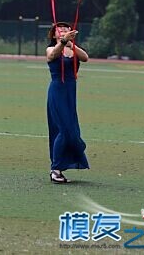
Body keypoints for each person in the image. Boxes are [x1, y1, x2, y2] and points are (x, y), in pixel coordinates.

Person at [46, 21, 89, 183]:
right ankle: (55, 169)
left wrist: (71, 44)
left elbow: (85, 58)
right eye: (59, 29)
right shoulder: (51, 48)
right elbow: (52, 56)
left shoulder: (74, 49)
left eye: (66, 29)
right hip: (57, 92)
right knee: (63, 130)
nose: (63, 30)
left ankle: (62, 164)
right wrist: (64, 42)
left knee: (73, 133)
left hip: (70, 93)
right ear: (54, 34)